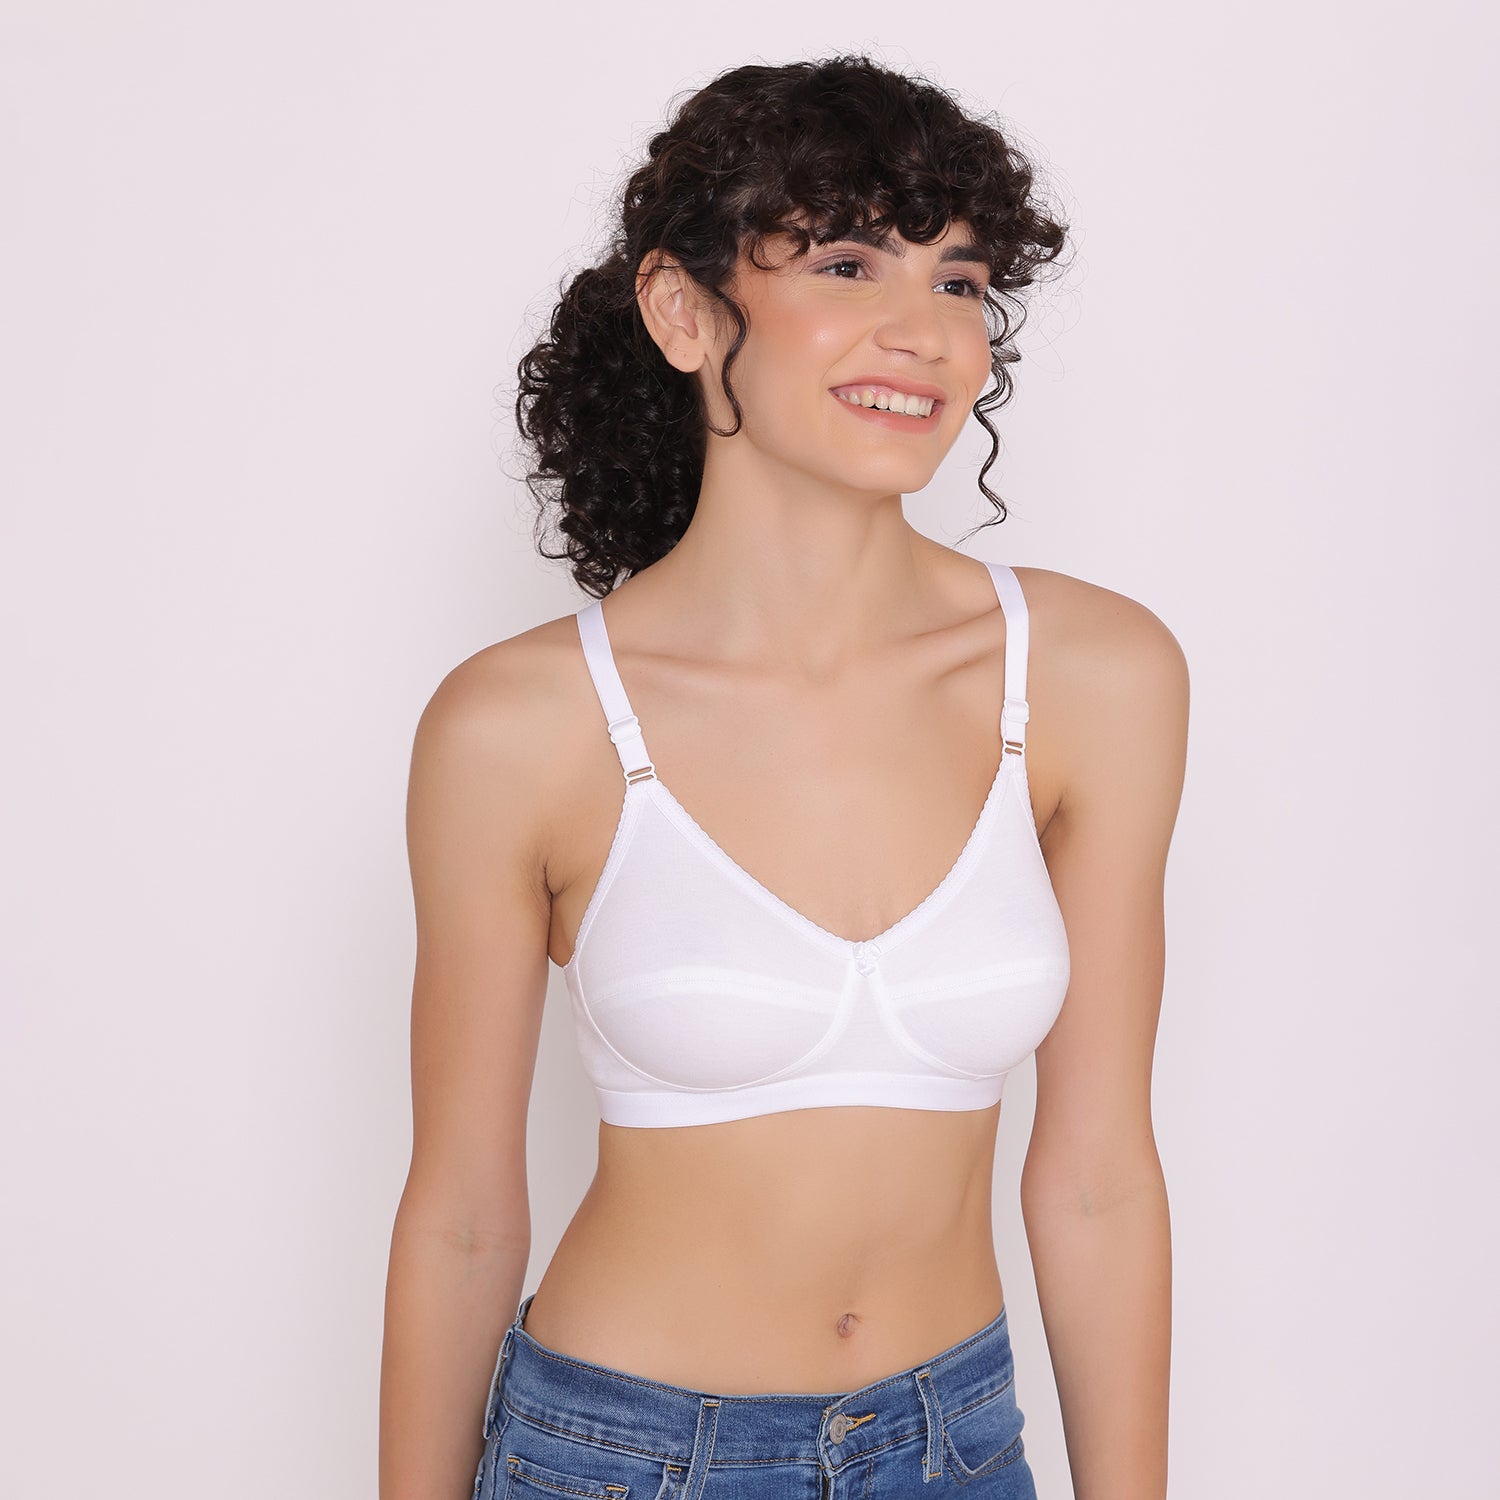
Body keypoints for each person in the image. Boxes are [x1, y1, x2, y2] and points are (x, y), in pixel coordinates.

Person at [380, 54, 1187, 1500]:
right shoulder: (520, 727)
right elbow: (461, 1216)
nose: (923, 332)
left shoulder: (1094, 677)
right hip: (621, 1460)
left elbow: (1098, 1181)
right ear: (683, 311)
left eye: (957, 281)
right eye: (847, 262)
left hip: (955, 1450)